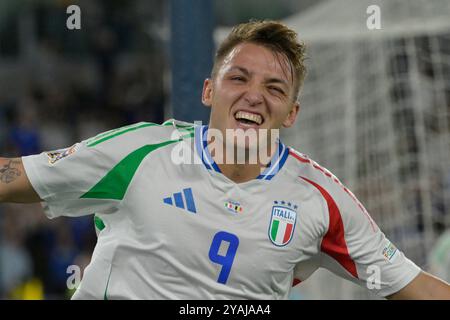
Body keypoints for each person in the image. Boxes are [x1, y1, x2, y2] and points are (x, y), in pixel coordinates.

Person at [0, 20, 449, 300]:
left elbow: (414, 287)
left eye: (275, 88)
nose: (254, 94)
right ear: (208, 91)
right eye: (238, 78)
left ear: (291, 113)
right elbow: (15, 176)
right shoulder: (140, 152)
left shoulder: (322, 201)